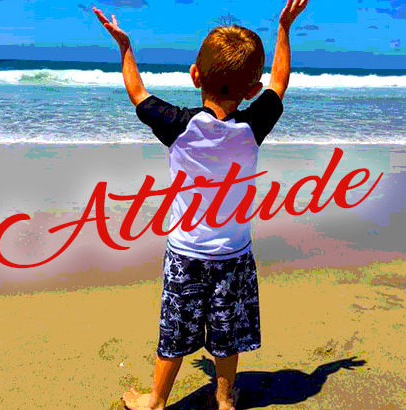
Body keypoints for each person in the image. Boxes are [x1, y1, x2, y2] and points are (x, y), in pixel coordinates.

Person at [93, 1, 309, 408]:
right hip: (235, 254)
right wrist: (284, 27)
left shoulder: (178, 125)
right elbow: (280, 81)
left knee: (174, 332)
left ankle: (156, 400)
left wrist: (125, 46)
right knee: (227, 335)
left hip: (186, 254)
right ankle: (225, 400)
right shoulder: (252, 126)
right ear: (252, 90)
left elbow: (137, 92)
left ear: (195, 75)